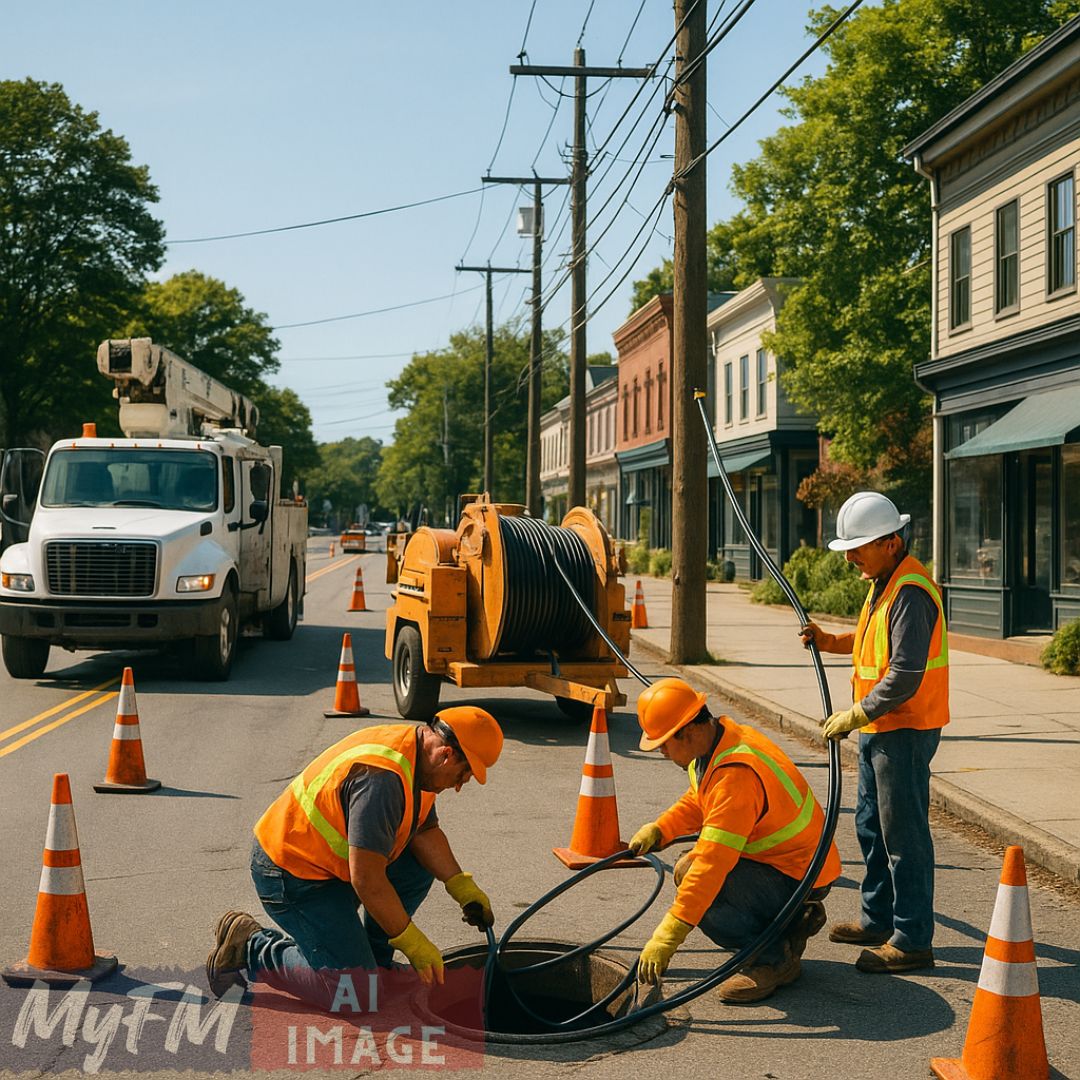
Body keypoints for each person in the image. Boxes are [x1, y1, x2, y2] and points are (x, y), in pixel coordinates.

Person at [206, 708, 503, 1007]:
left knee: (418, 865)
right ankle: (251, 947)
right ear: (446, 754)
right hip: (291, 875)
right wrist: (412, 942)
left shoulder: (418, 759)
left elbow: (423, 830)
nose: (459, 785)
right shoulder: (383, 779)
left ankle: (375, 963)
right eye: (463, 774)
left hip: (332, 868)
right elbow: (368, 880)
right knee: (354, 996)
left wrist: (460, 886)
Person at [800, 490, 948, 975]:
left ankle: (911, 939)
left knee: (903, 835)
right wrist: (829, 641)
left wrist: (856, 713)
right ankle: (877, 919)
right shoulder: (883, 581)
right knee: (871, 826)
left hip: (903, 730)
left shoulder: (910, 592)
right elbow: (870, 643)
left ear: (891, 541)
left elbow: (904, 674)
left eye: (858, 547)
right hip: (879, 727)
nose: (850, 557)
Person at [628, 677, 841, 1003]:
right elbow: (699, 799)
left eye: (664, 743)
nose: (661, 751)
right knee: (689, 869)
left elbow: (712, 865)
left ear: (688, 731)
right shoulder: (718, 743)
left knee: (704, 894)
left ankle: (775, 960)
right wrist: (661, 829)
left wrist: (668, 935)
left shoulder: (736, 776)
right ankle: (788, 925)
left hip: (800, 874)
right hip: (784, 862)